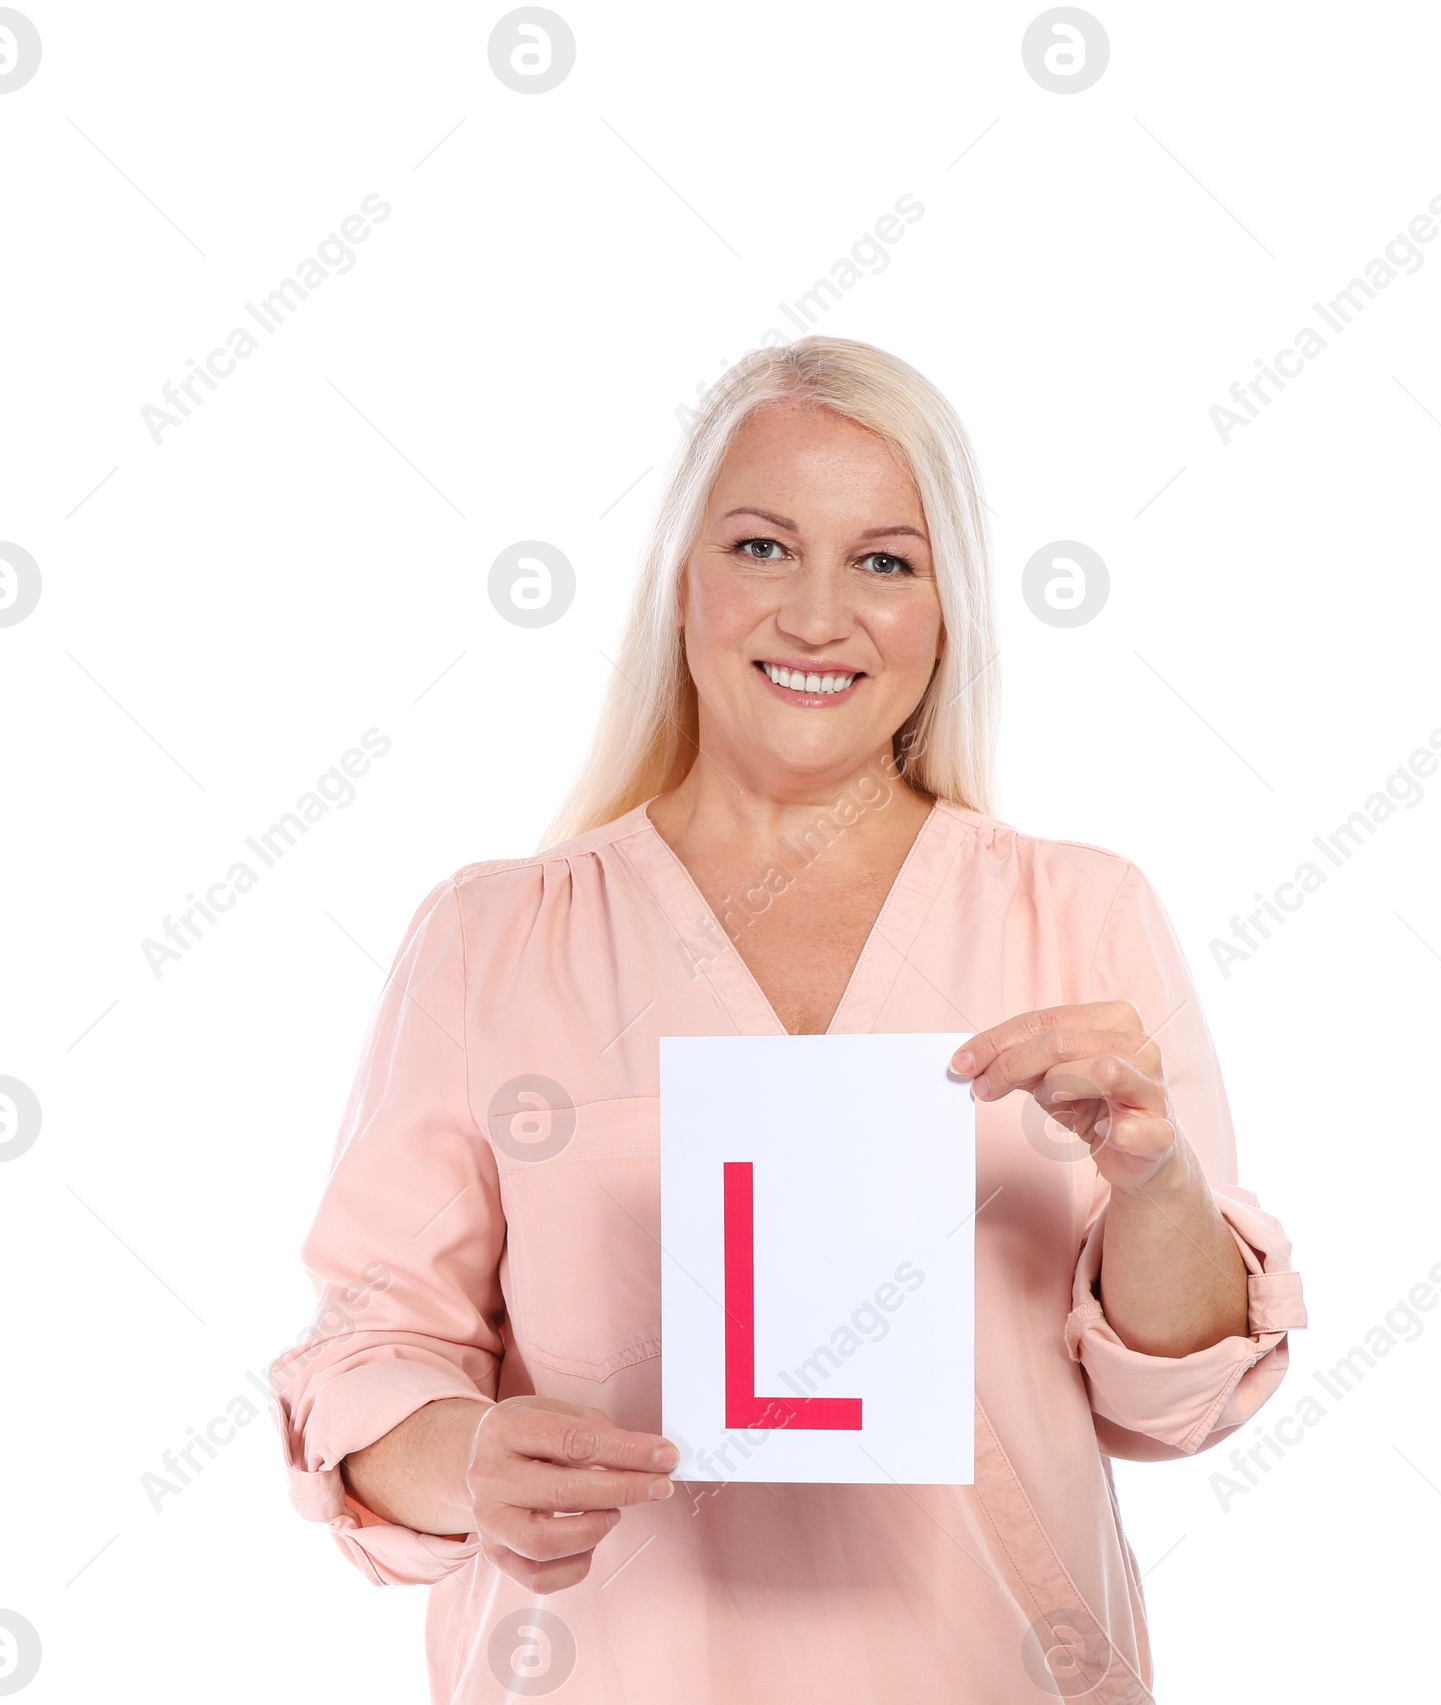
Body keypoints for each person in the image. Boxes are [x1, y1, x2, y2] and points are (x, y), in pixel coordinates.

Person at [270, 335, 1307, 1703]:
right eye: (763, 547)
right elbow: (366, 1347)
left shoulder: (1081, 914)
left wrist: (1157, 1178)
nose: (819, 615)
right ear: (681, 587)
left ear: (947, 614)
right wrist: (466, 1458)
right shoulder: (493, 939)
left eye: (885, 561)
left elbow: (1169, 1399)